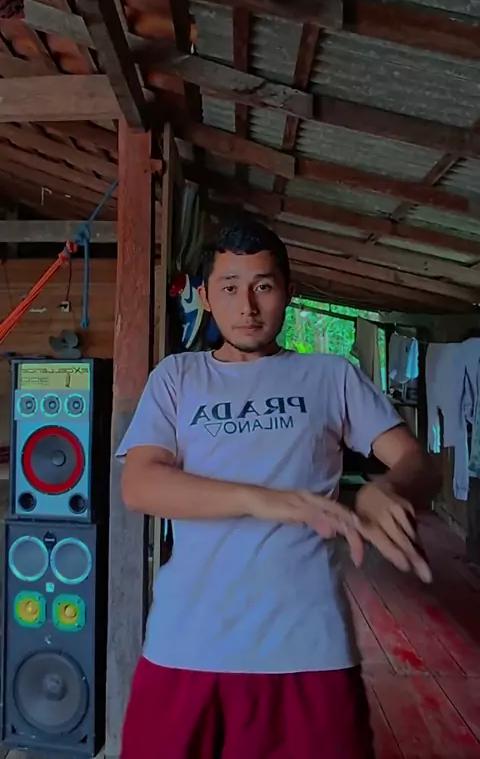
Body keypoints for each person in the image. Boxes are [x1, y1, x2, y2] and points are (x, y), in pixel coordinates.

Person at [117, 219, 438, 759]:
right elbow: (140, 484)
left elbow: (417, 462)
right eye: (229, 288)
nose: (247, 306)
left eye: (262, 286)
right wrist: (262, 499)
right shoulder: (177, 377)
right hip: (188, 643)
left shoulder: (331, 375)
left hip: (308, 648)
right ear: (205, 297)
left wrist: (389, 488)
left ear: (288, 290)